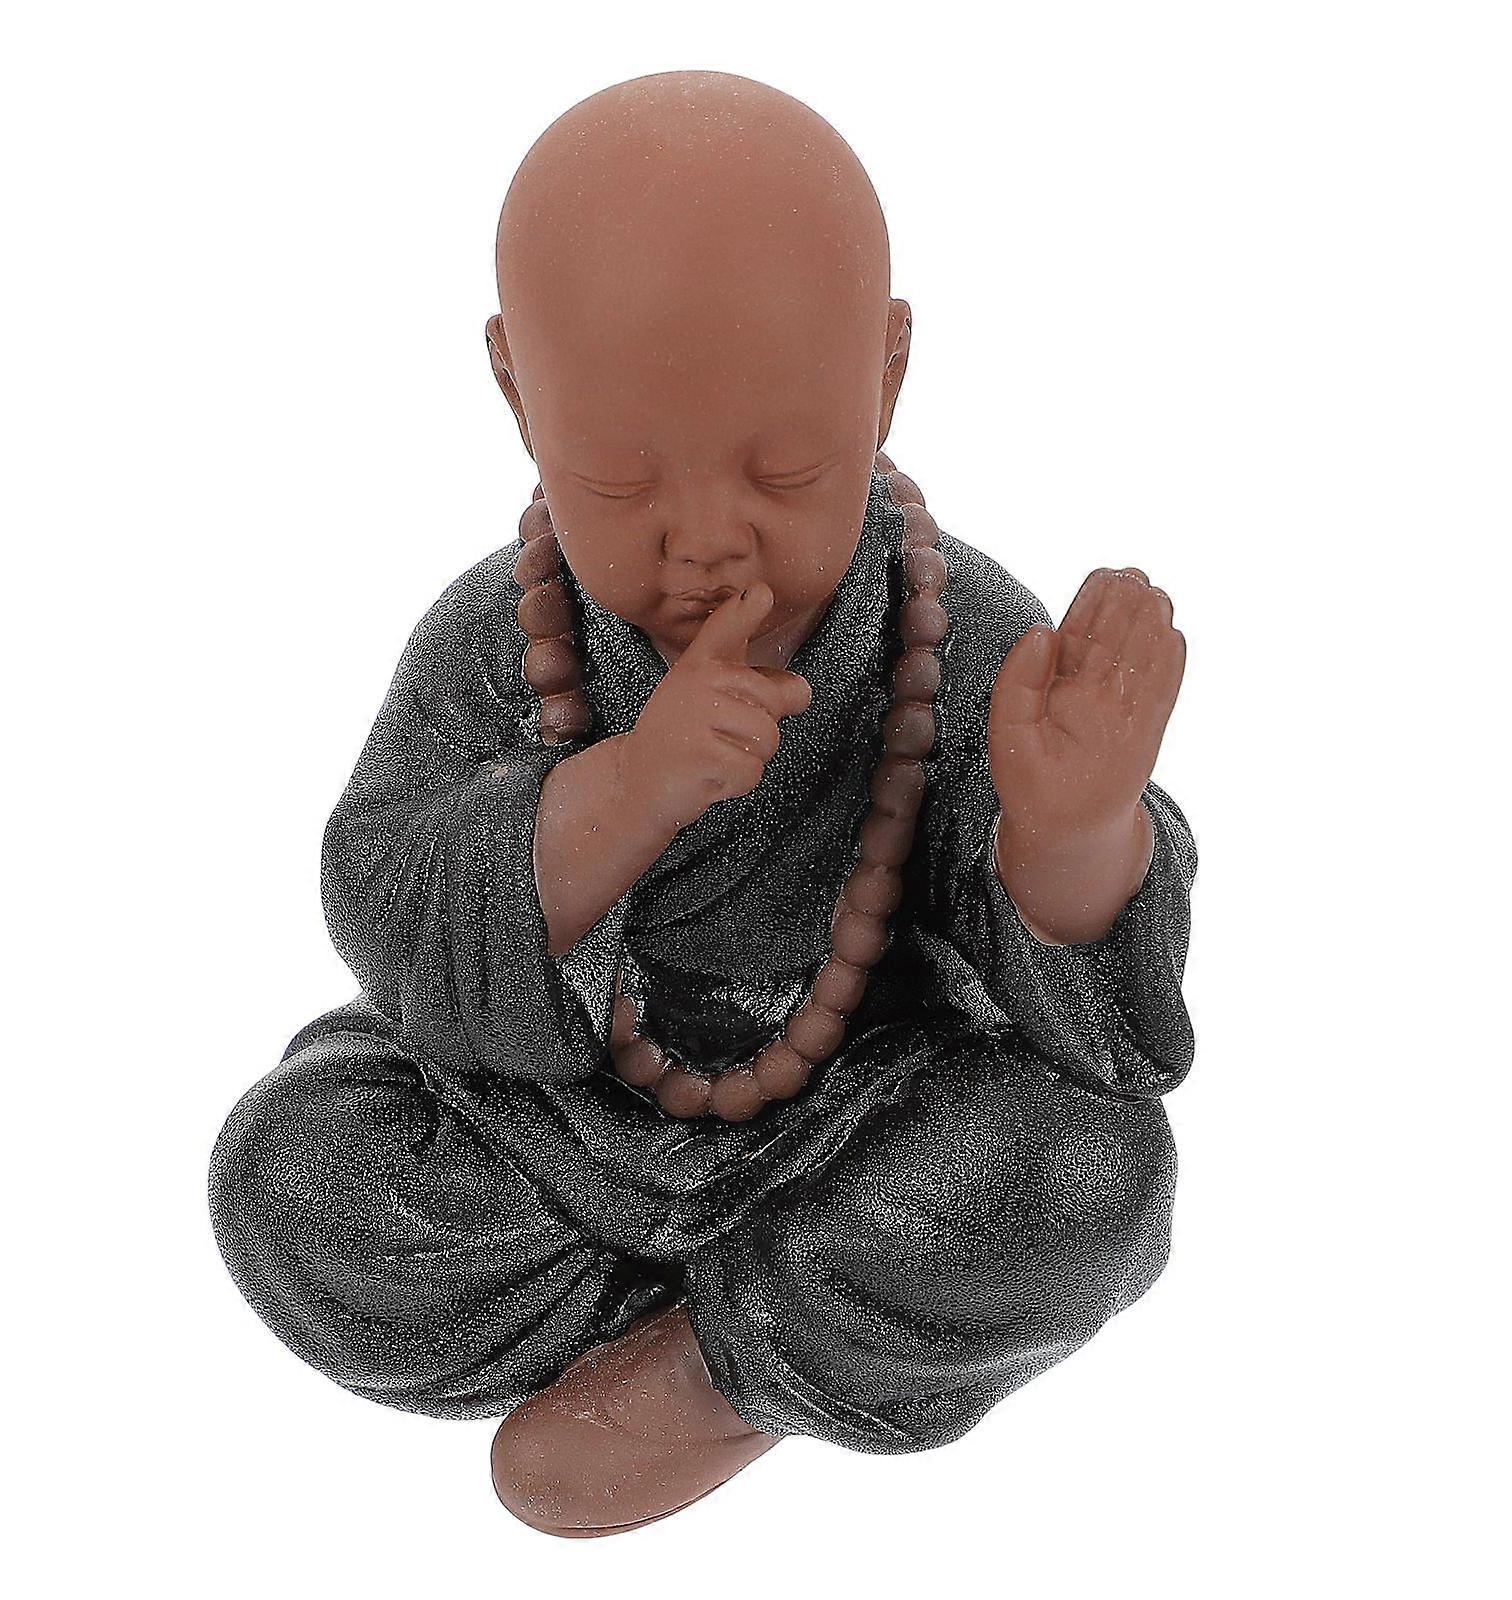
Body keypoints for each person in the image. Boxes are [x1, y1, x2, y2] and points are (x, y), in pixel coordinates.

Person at [209, 70, 1196, 1538]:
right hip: (551, 1129)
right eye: (619, 481)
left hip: (864, 1115)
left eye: (786, 470)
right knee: (292, 1171)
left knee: (1087, 1174)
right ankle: (779, 1321)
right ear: (516, 394)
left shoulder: (956, 631)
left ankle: (715, 1378)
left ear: (886, 373)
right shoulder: (502, 638)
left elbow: (1079, 1023)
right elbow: (390, 901)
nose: (707, 540)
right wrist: (623, 794)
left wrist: (1073, 831)